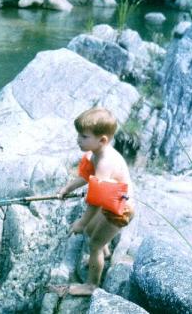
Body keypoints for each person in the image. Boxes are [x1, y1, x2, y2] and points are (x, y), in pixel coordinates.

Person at [52, 107, 134, 296]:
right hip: (111, 202)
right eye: (78, 135)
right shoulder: (96, 153)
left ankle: (91, 286)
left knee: (93, 244)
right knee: (91, 231)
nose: (78, 140)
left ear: (102, 140)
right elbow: (86, 177)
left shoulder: (105, 162)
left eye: (83, 136)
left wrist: (81, 222)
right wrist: (67, 189)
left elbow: (96, 200)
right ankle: (104, 253)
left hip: (120, 210)